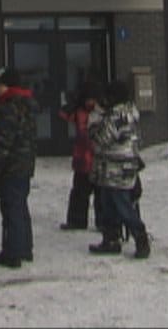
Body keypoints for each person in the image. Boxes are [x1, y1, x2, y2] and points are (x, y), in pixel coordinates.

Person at [88, 79, 150, 260]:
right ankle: (111, 238)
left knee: (121, 206)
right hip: (121, 166)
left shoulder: (116, 117)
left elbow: (100, 139)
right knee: (110, 204)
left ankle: (140, 238)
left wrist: (94, 120)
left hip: (116, 168)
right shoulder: (130, 113)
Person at [0, 67, 38, 269]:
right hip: (25, 165)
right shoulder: (27, 106)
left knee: (11, 208)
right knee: (21, 205)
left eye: (0, 85)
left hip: (11, 167)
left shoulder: (9, 109)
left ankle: (13, 252)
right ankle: (25, 247)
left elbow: (3, 144)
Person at [58, 80, 100, 231]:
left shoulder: (99, 112)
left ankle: (101, 222)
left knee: (99, 193)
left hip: (95, 158)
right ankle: (77, 220)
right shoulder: (79, 111)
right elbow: (63, 114)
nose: (91, 102)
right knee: (79, 192)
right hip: (83, 158)